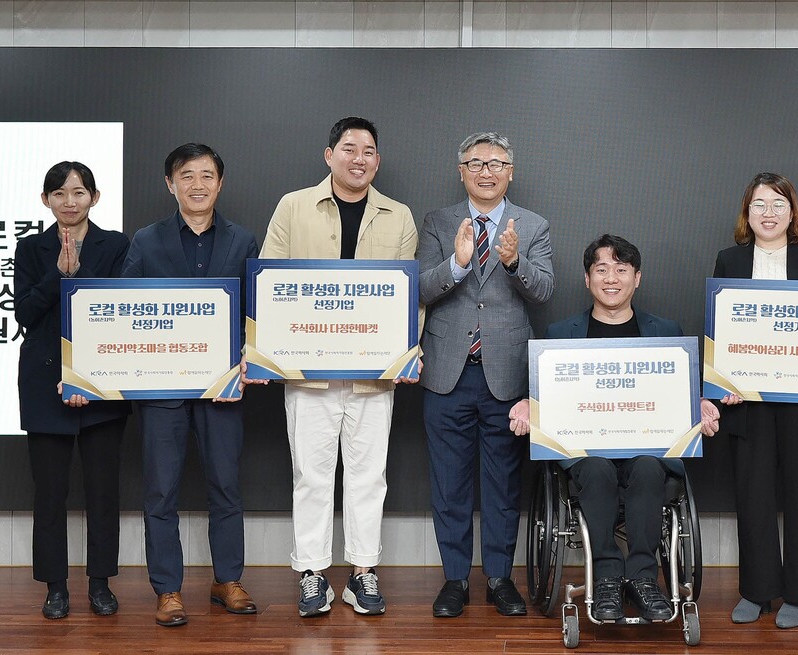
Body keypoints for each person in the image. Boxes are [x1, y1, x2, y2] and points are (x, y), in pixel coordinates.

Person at [509, 234, 720, 622]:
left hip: (648, 450)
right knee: (597, 468)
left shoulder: (666, 331)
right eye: (601, 269)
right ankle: (606, 576)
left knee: (647, 468)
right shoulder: (560, 334)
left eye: (621, 270)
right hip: (587, 453)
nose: (611, 278)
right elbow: (544, 393)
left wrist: (701, 403)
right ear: (587, 278)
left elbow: (682, 392)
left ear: (636, 278)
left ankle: (643, 579)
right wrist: (527, 401)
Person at [259, 116, 420, 617]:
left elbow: (409, 297)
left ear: (378, 160)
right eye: (349, 148)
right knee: (311, 475)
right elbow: (269, 282)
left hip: (375, 377)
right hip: (307, 374)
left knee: (369, 477)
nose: (359, 158)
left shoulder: (399, 216)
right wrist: (269, 352)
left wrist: (406, 351)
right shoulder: (293, 206)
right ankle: (312, 574)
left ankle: (362, 573)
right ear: (329, 155)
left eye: (368, 151)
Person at [122, 143, 260, 627]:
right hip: (161, 389)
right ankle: (168, 590)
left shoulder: (243, 240)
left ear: (220, 183)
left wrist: (249, 355)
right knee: (161, 491)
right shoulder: (146, 240)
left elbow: (257, 311)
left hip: (223, 387)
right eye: (187, 176)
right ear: (170, 184)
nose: (197, 185)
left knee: (226, 485)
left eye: (206, 176)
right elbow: (123, 310)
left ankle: (229, 581)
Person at [417, 132, 554, 618]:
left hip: (506, 375)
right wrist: (456, 264)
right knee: (448, 483)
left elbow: (544, 290)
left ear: (510, 172)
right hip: (446, 372)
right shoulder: (437, 222)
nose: (486, 172)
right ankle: (455, 579)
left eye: (496, 163)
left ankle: (499, 578)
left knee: (502, 484)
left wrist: (514, 263)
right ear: (462, 172)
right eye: (476, 163)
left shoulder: (533, 225)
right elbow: (420, 288)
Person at [714, 172, 798, 629]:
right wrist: (722, 381)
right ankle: (757, 590)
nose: (768, 213)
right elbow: (719, 328)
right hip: (748, 401)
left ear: (793, 212)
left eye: (778, 204)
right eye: (759, 205)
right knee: (754, 494)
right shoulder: (730, 259)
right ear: (746, 213)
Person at [14, 161, 130, 620]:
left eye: (79, 192)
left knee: (103, 491)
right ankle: (56, 587)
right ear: (46, 200)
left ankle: (100, 583)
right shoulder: (30, 248)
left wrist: (85, 375)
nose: (69, 201)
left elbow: (119, 311)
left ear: (94, 198)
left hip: (102, 382)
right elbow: (25, 313)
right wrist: (58, 274)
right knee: (49, 493)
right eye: (59, 193)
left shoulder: (116, 245)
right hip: (44, 384)